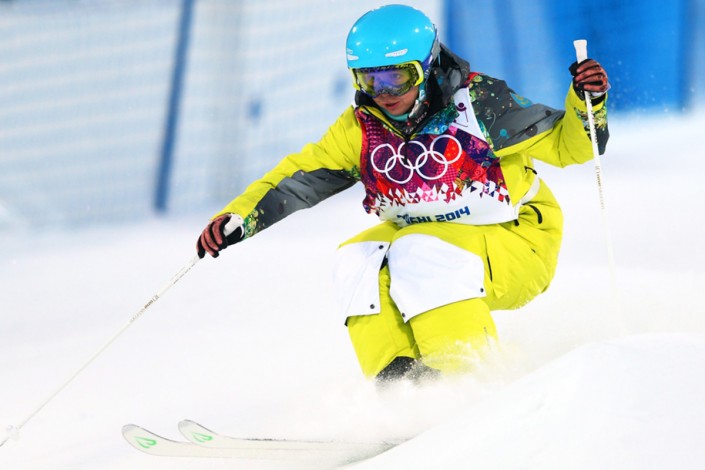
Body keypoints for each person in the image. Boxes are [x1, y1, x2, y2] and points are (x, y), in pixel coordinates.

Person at [196, 4, 610, 383]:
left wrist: (586, 102)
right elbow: (297, 178)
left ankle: (467, 379)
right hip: (435, 243)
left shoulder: (479, 103)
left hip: (517, 240)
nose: (384, 94)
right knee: (356, 259)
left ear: (426, 68)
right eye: (369, 79)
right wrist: (240, 217)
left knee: (419, 250)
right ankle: (401, 390)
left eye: (397, 78)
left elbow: (569, 146)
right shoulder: (361, 128)